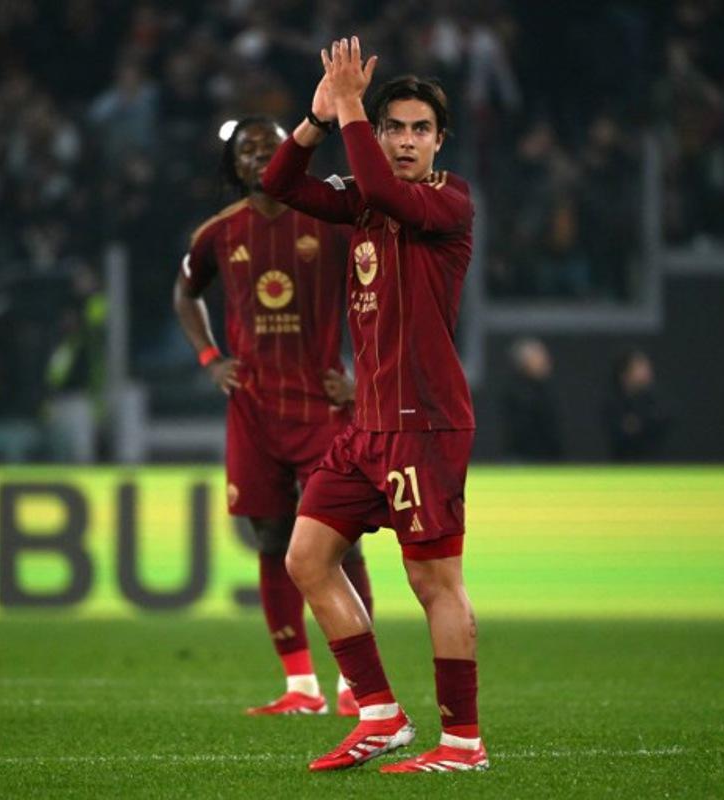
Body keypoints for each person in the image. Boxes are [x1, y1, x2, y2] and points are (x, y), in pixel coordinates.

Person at [262, 37, 488, 773]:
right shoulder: (362, 199)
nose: (406, 140)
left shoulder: (447, 202)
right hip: (367, 428)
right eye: (395, 127)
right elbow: (280, 184)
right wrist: (317, 118)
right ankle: (382, 713)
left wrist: (354, 105)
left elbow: (388, 194)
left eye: (421, 128)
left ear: (439, 141)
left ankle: (462, 743)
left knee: (434, 583)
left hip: (426, 423)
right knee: (306, 557)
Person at [173, 116, 374, 717]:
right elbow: (185, 294)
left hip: (322, 406)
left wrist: (360, 375)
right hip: (255, 408)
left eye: (270, 144)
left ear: (294, 151)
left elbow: (380, 292)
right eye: (246, 149)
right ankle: (301, 687)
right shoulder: (218, 233)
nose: (259, 154)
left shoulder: (330, 219)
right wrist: (210, 357)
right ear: (234, 167)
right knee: (270, 538)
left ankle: (355, 686)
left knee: (340, 544)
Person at [602, 348, 669, 461]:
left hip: (656, 464)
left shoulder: (658, 403)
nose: (646, 372)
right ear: (624, 373)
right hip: (621, 463)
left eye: (646, 367)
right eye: (639, 367)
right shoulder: (612, 404)